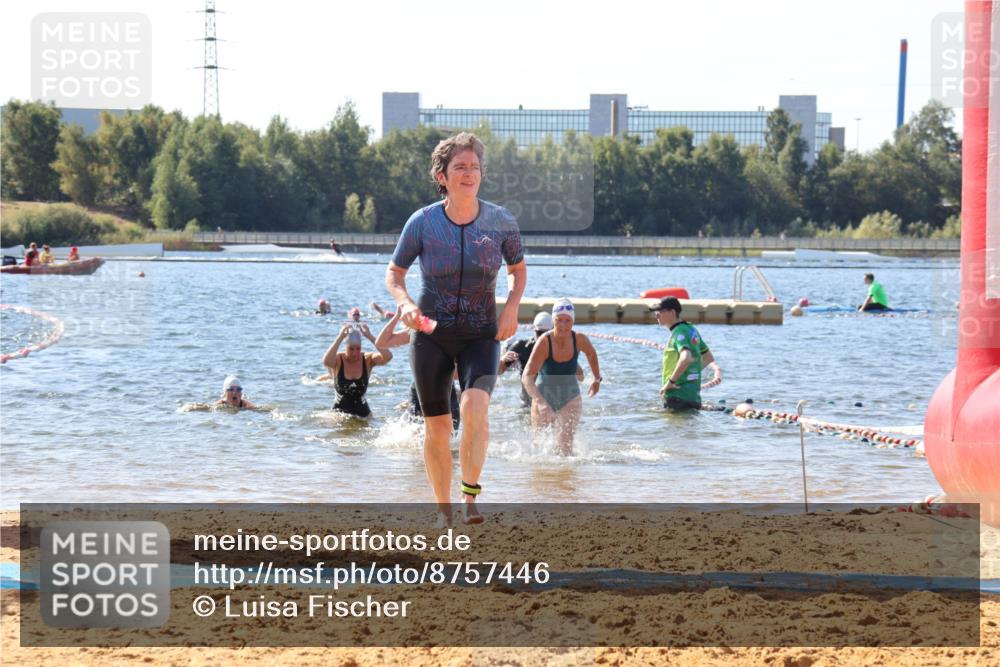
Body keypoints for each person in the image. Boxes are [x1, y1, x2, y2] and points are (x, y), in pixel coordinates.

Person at [385, 131, 527, 525]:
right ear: (442, 176)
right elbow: (395, 272)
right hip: (431, 333)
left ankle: (470, 497)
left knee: (474, 407)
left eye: (475, 167)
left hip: (481, 333)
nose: (469, 173)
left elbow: (517, 270)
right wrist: (405, 304)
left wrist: (511, 307)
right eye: (460, 167)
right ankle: (443, 509)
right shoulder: (423, 222)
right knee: (438, 426)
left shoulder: (500, 221)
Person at [521, 299, 601, 455]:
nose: (563, 325)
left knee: (565, 448)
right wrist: (541, 403)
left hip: (570, 396)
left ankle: (566, 471)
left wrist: (597, 379)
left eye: (567, 320)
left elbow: (591, 354)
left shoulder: (579, 339)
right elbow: (526, 377)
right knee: (538, 448)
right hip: (543, 395)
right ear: (553, 321)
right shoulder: (545, 342)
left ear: (573, 321)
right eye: (559, 320)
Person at [373, 310, 461, 429]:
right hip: (420, 391)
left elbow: (457, 374)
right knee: (413, 434)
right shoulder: (419, 332)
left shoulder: (452, 335)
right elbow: (381, 343)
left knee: (449, 434)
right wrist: (397, 316)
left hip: (446, 392)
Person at [500, 312, 585, 408]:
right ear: (534, 331)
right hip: (527, 406)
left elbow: (581, 377)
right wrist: (502, 361)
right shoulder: (522, 347)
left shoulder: (560, 349)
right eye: (539, 333)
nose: (542, 337)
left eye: (545, 334)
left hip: (553, 405)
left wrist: (570, 359)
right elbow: (498, 372)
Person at [652, 296, 712, 412]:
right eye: (656, 312)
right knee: (687, 424)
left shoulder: (678, 332)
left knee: (672, 423)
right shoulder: (691, 329)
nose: (657, 315)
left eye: (660, 311)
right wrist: (688, 374)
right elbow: (708, 357)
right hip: (693, 396)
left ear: (672, 312)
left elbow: (686, 358)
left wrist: (671, 382)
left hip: (676, 396)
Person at [321, 325, 392, 417]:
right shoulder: (338, 359)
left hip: (363, 414)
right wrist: (340, 338)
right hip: (339, 414)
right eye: (351, 349)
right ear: (345, 347)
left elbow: (388, 356)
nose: (355, 353)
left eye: (358, 348)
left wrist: (370, 336)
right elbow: (326, 361)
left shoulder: (367, 359)